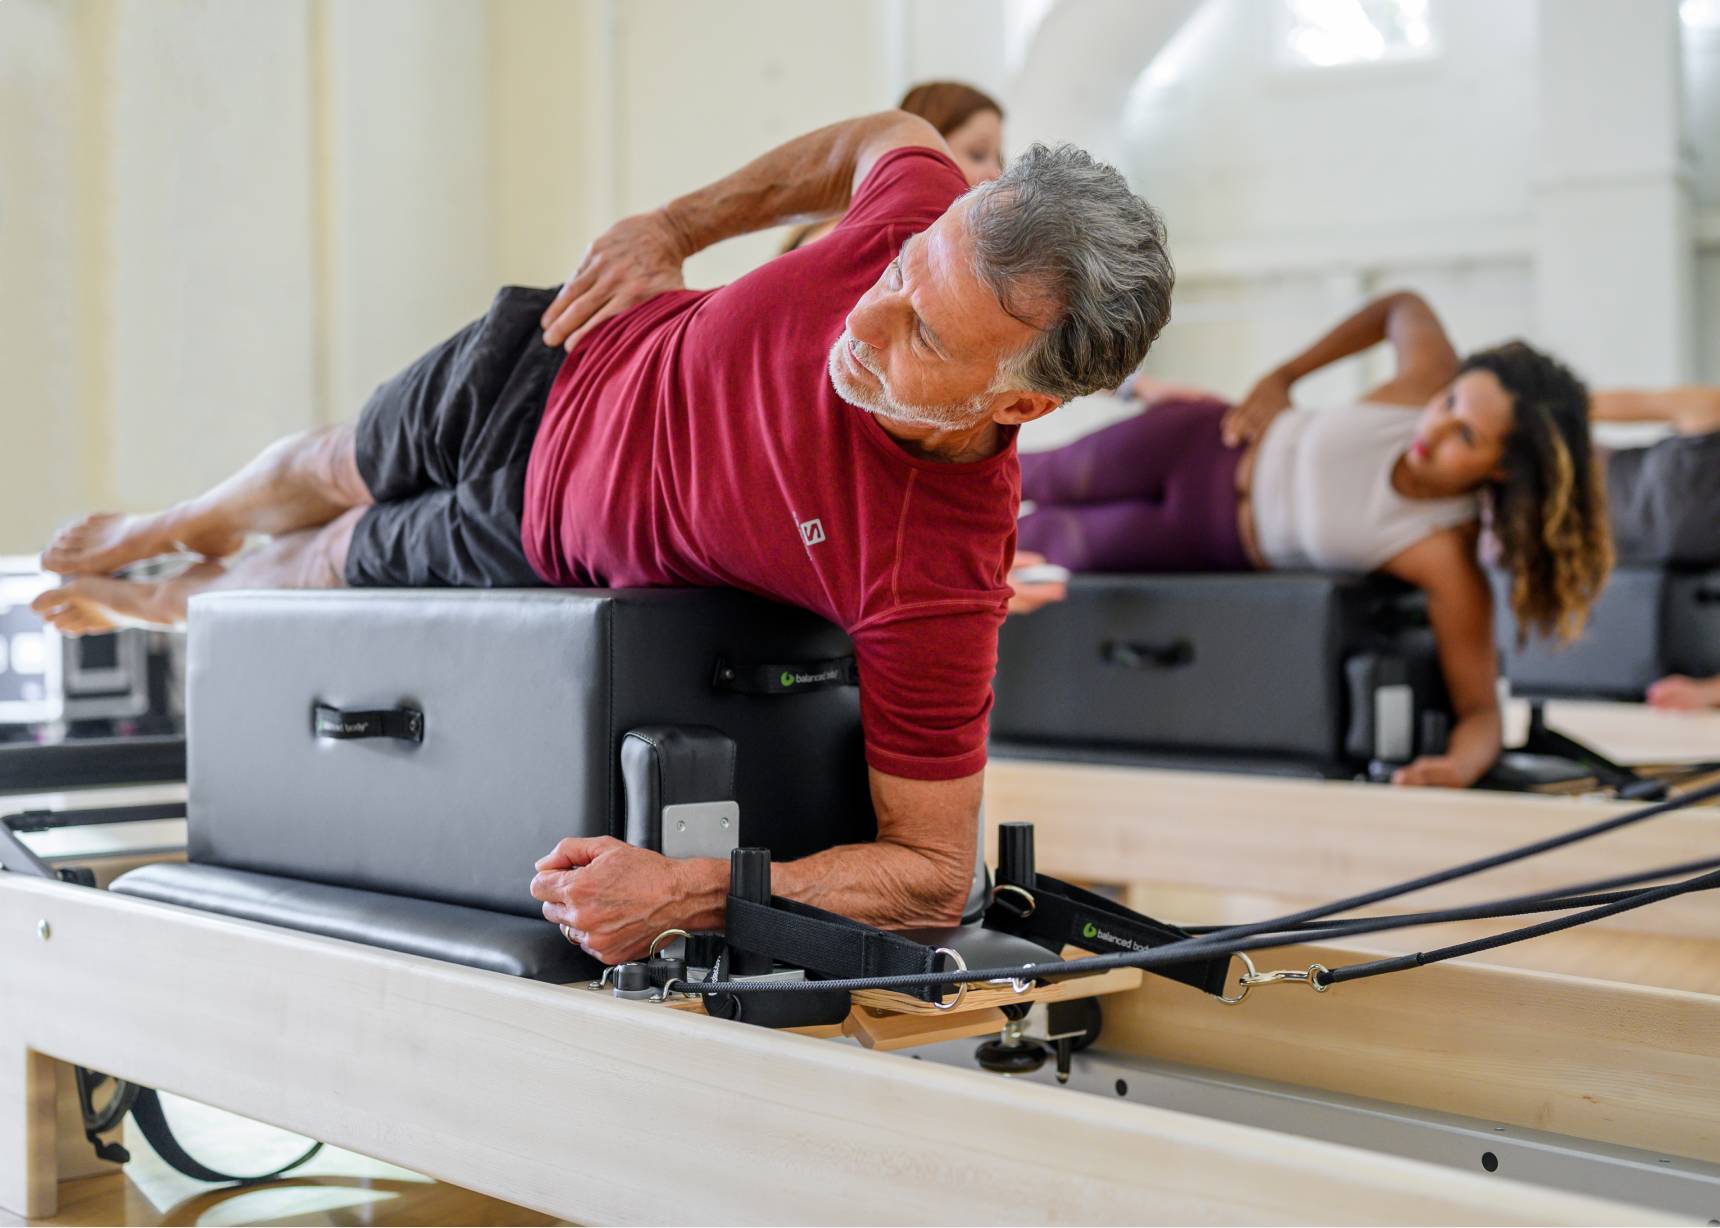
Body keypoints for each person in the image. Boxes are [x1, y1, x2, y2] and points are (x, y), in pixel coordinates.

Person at [33, 110, 1174, 964]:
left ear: (1018, 404)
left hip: (528, 534)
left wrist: (685, 891)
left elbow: (929, 876)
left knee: (310, 568)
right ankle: (165, 524)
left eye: (920, 332)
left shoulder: (934, 575)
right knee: (331, 459)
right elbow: (887, 138)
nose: (864, 317)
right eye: (895, 268)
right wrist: (668, 226)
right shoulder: (926, 207)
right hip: (565, 345)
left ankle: (151, 598)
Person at [1012, 291, 1613, 789]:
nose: (1436, 427)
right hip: (1196, 443)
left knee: (1034, 544)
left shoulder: (1445, 555)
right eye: (1449, 401)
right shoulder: (1421, 383)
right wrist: (1283, 376)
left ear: (1501, 470)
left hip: (1199, 541)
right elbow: (1400, 306)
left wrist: (1454, 767)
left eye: (1466, 435)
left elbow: (1482, 712)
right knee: (1027, 473)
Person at [1589, 384, 1720, 710]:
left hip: (1589, 557)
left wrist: (1708, 693)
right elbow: (1700, 403)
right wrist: (1549, 407)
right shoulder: (1708, 429)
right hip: (1575, 486)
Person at [781, 81, 1004, 252]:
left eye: (1000, 157)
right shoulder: (854, 240)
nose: (996, 174)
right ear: (923, 150)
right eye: (978, 154)